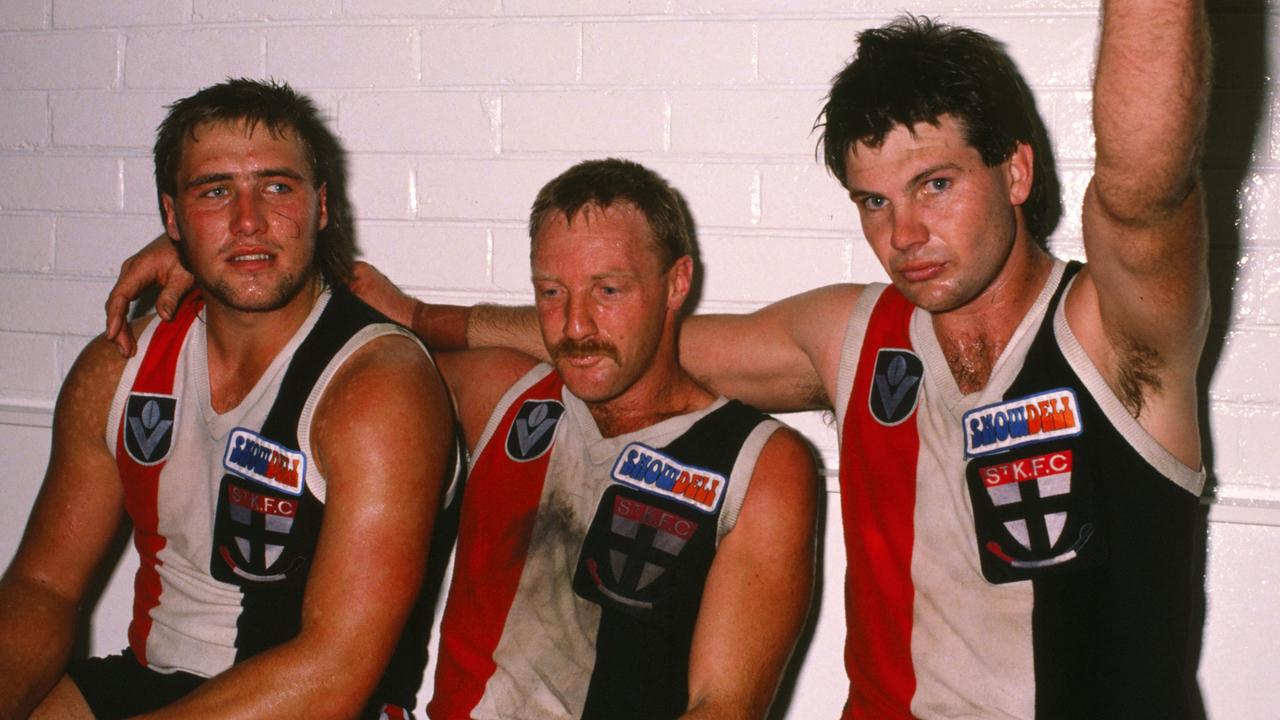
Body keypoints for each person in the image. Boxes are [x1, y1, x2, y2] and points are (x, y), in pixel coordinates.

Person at [100, 1, 1212, 716]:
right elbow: (612, 343)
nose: (902, 234)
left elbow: (1145, 185)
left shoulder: (1116, 342)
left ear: (1014, 172)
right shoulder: (858, 335)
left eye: (934, 185)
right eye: (872, 202)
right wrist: (240, 251)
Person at [101, 158, 818, 719]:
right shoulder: (503, 400)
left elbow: (725, 709)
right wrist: (208, 250)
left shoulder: (762, 462)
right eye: (550, 292)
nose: (574, 326)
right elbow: (324, 329)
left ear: (676, 283)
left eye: (609, 290)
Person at [0, 79, 457, 720]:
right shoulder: (119, 368)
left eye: (277, 186)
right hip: (148, 681)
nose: (249, 220)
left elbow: (335, 670)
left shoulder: (378, 385)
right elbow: (42, 587)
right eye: (215, 192)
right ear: (171, 218)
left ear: (321, 207)